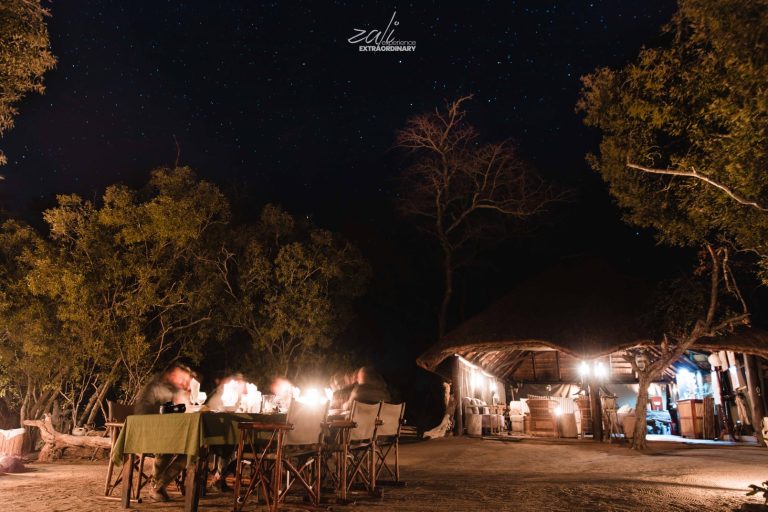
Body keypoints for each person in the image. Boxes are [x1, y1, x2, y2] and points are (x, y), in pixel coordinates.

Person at [134, 363, 194, 502]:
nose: (184, 382)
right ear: (172, 374)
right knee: (166, 448)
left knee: (190, 451)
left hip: (166, 434)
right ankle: (156, 486)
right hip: (146, 433)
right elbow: (144, 413)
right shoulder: (156, 386)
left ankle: (158, 485)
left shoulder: (172, 390)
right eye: (182, 378)